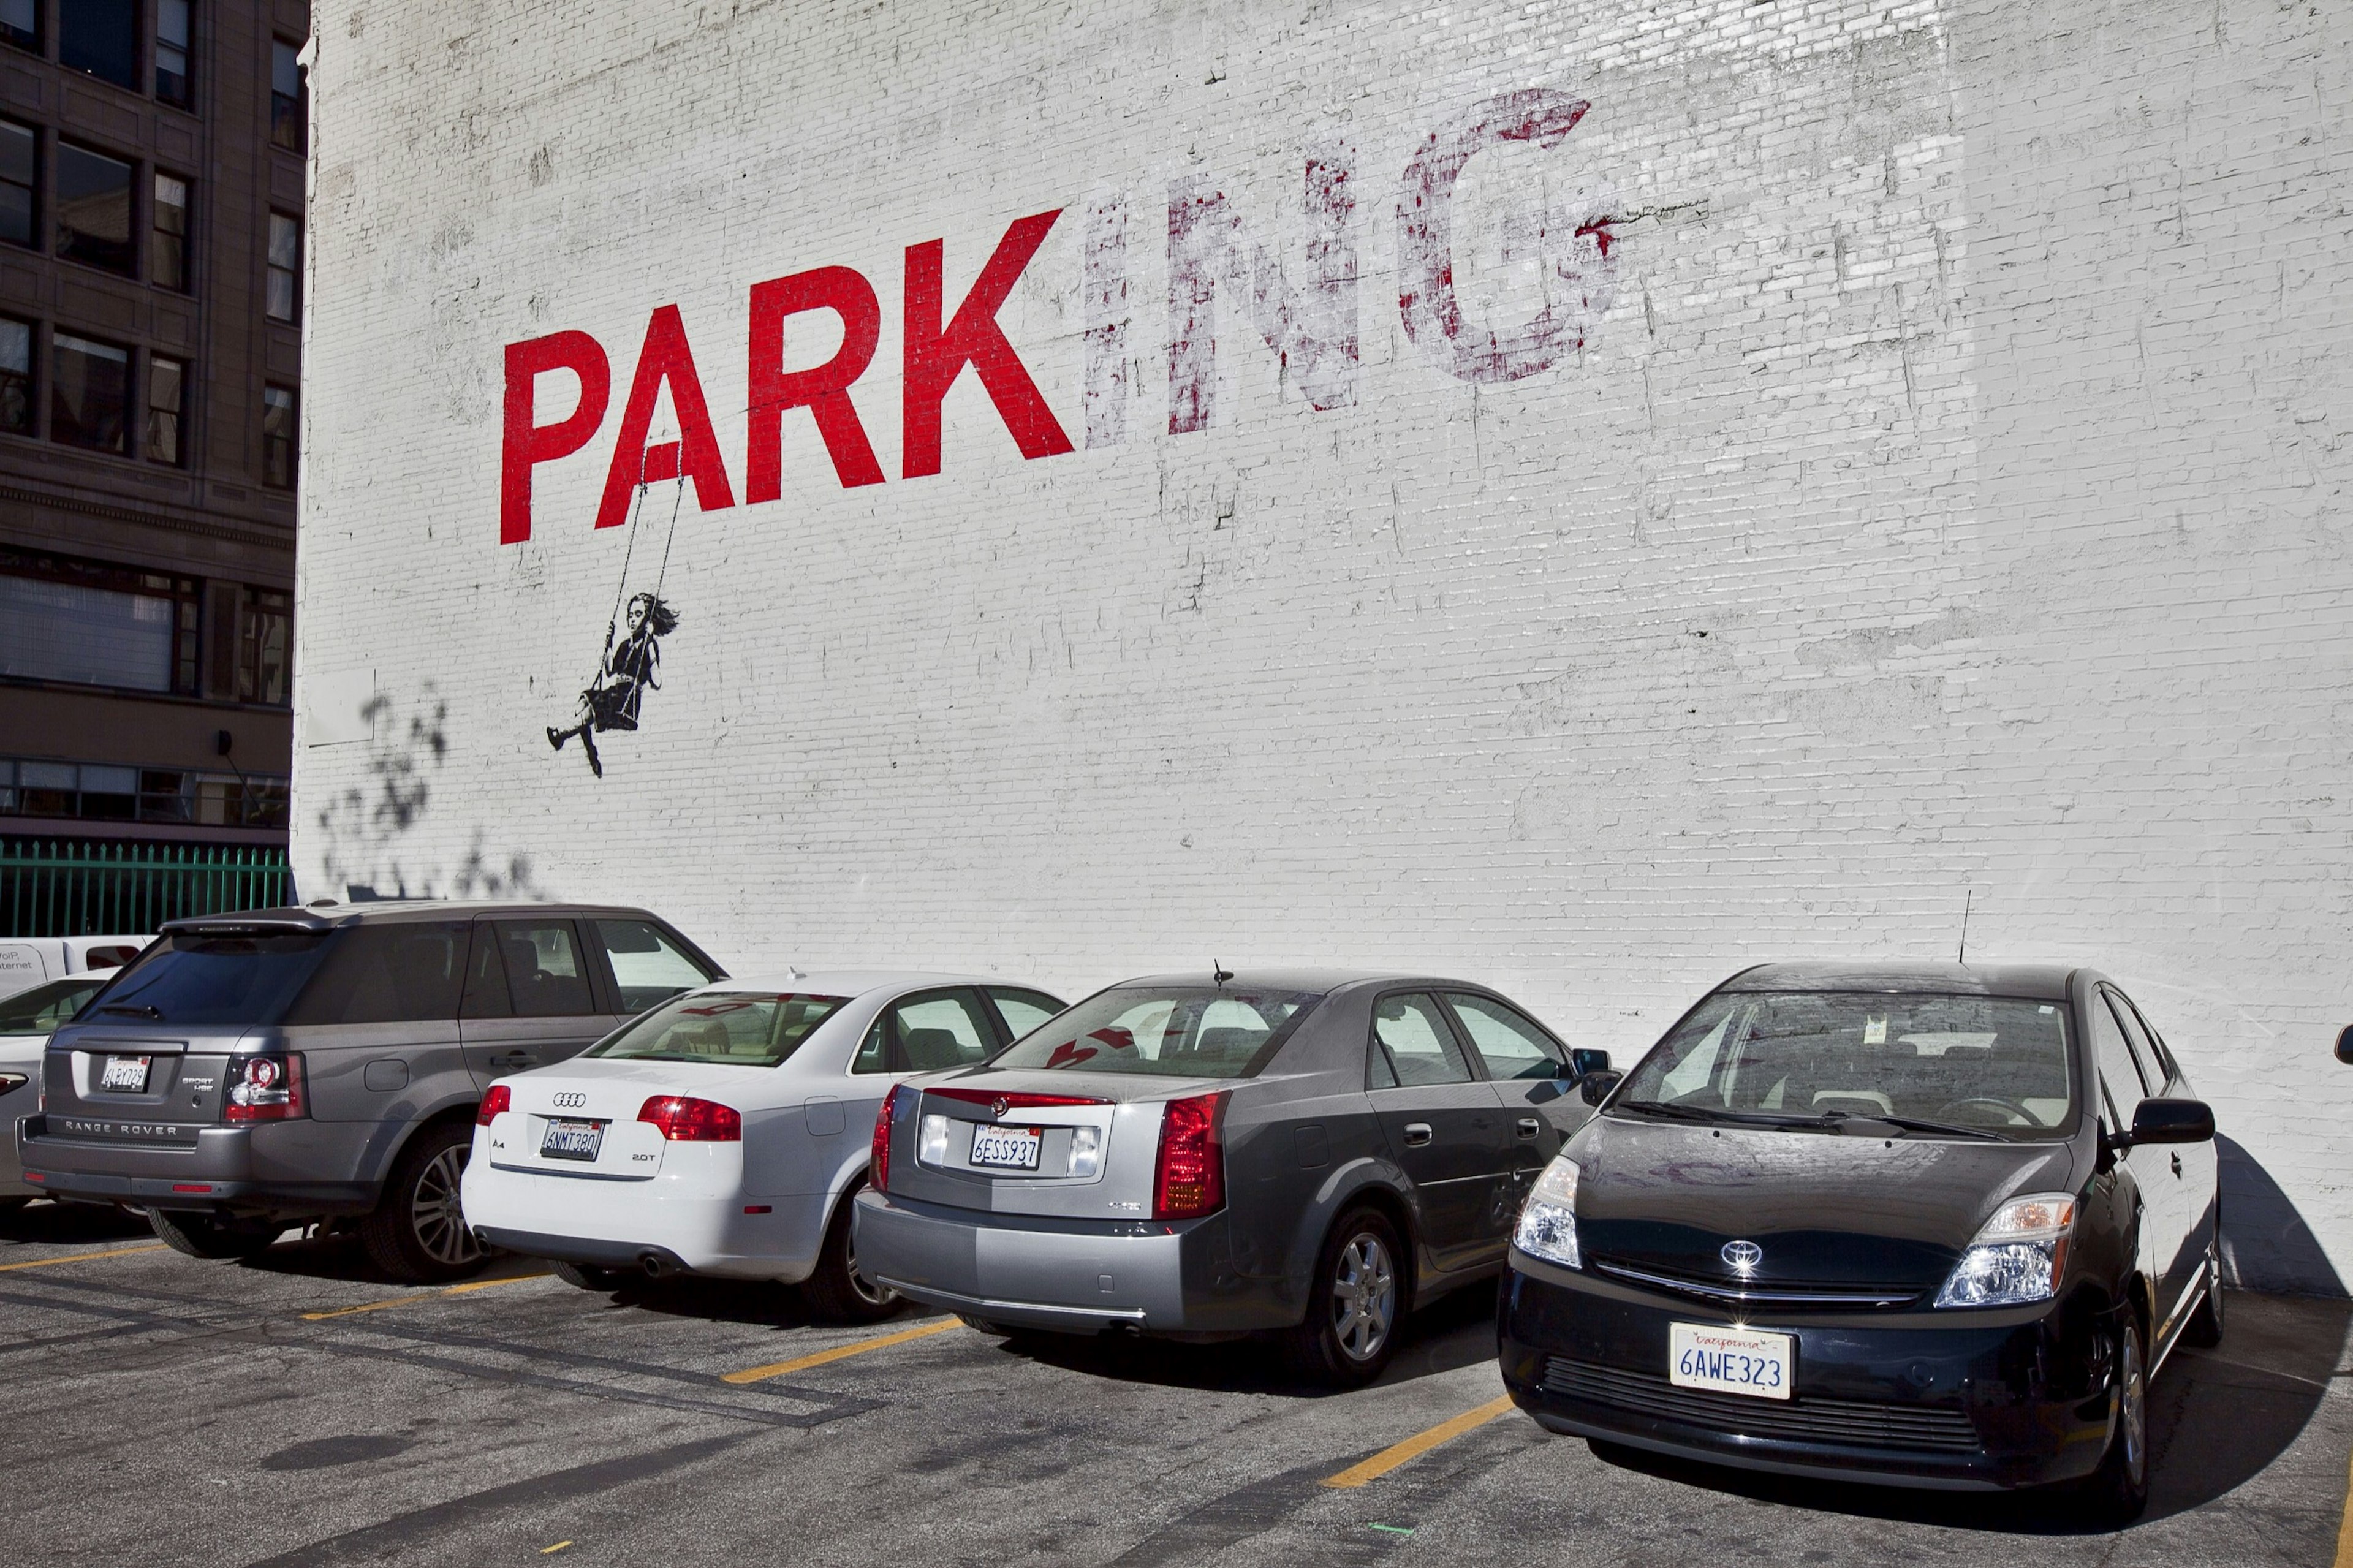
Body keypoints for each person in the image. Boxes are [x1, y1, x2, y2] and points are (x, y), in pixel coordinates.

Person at [548, 593, 680, 778]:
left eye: (638, 614)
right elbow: (610, 670)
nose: (632, 620)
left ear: (648, 619)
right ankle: (591, 752)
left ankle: (560, 734)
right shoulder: (625, 645)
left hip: (626, 700)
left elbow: (657, 682)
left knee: (589, 712)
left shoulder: (648, 646)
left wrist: (650, 642)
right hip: (615, 692)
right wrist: (610, 643)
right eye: (630, 615)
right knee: (585, 699)